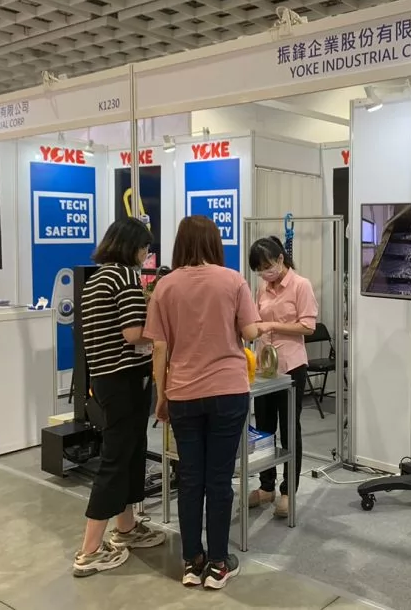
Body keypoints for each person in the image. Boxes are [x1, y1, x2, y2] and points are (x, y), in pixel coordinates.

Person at [146, 215, 263, 590]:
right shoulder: (233, 280)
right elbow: (249, 331)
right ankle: (218, 563)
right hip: (228, 391)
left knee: (190, 479)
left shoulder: (165, 286)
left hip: (182, 393)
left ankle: (191, 561)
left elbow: (159, 348)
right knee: (219, 479)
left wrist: (161, 396)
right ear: (215, 243)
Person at [73, 217, 166, 578]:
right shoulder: (125, 277)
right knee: (116, 458)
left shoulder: (98, 279)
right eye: (144, 248)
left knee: (128, 453)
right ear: (131, 246)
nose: (146, 255)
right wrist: (164, 333)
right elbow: (133, 334)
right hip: (124, 379)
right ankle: (90, 550)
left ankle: (125, 527)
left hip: (105, 378)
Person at [247, 236, 318, 518]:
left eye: (268, 266)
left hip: (290, 366)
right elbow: (256, 320)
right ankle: (266, 486)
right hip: (264, 368)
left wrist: (272, 325)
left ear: (280, 259)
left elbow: (308, 327)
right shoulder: (262, 288)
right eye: (259, 270)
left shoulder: (301, 285)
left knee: (289, 428)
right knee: (263, 428)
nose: (265, 273)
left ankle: (289, 490)